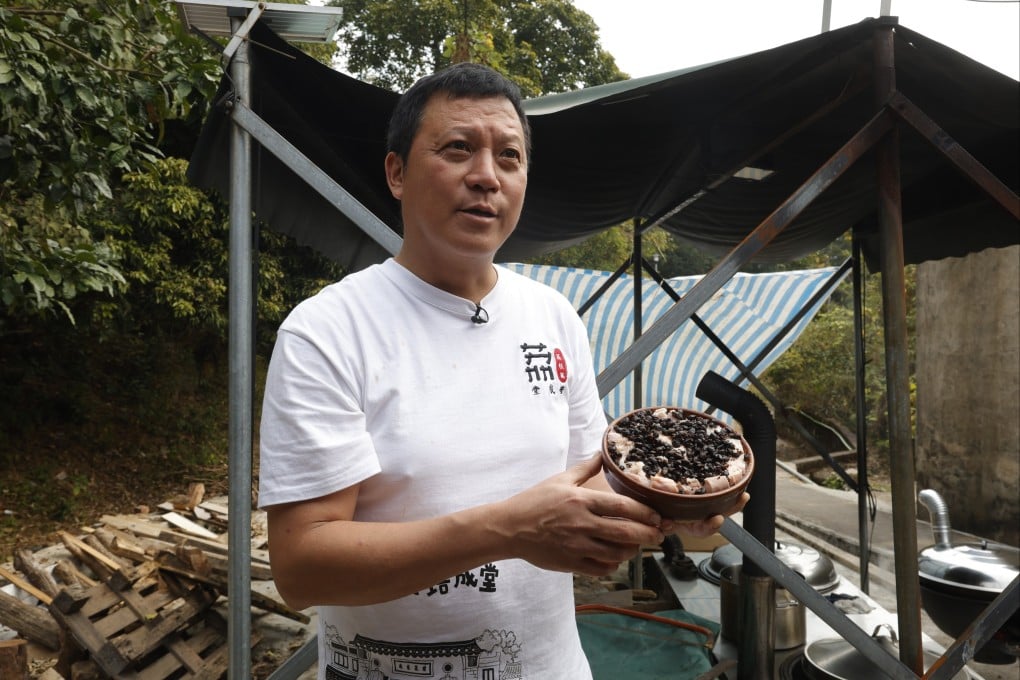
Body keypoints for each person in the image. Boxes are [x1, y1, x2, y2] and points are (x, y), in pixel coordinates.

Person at [258, 62, 747, 679]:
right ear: (397, 173)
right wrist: (506, 531)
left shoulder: (553, 317)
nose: (485, 176)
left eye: (509, 157)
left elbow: (588, 483)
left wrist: (663, 505)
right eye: (457, 148)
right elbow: (303, 567)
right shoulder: (328, 330)